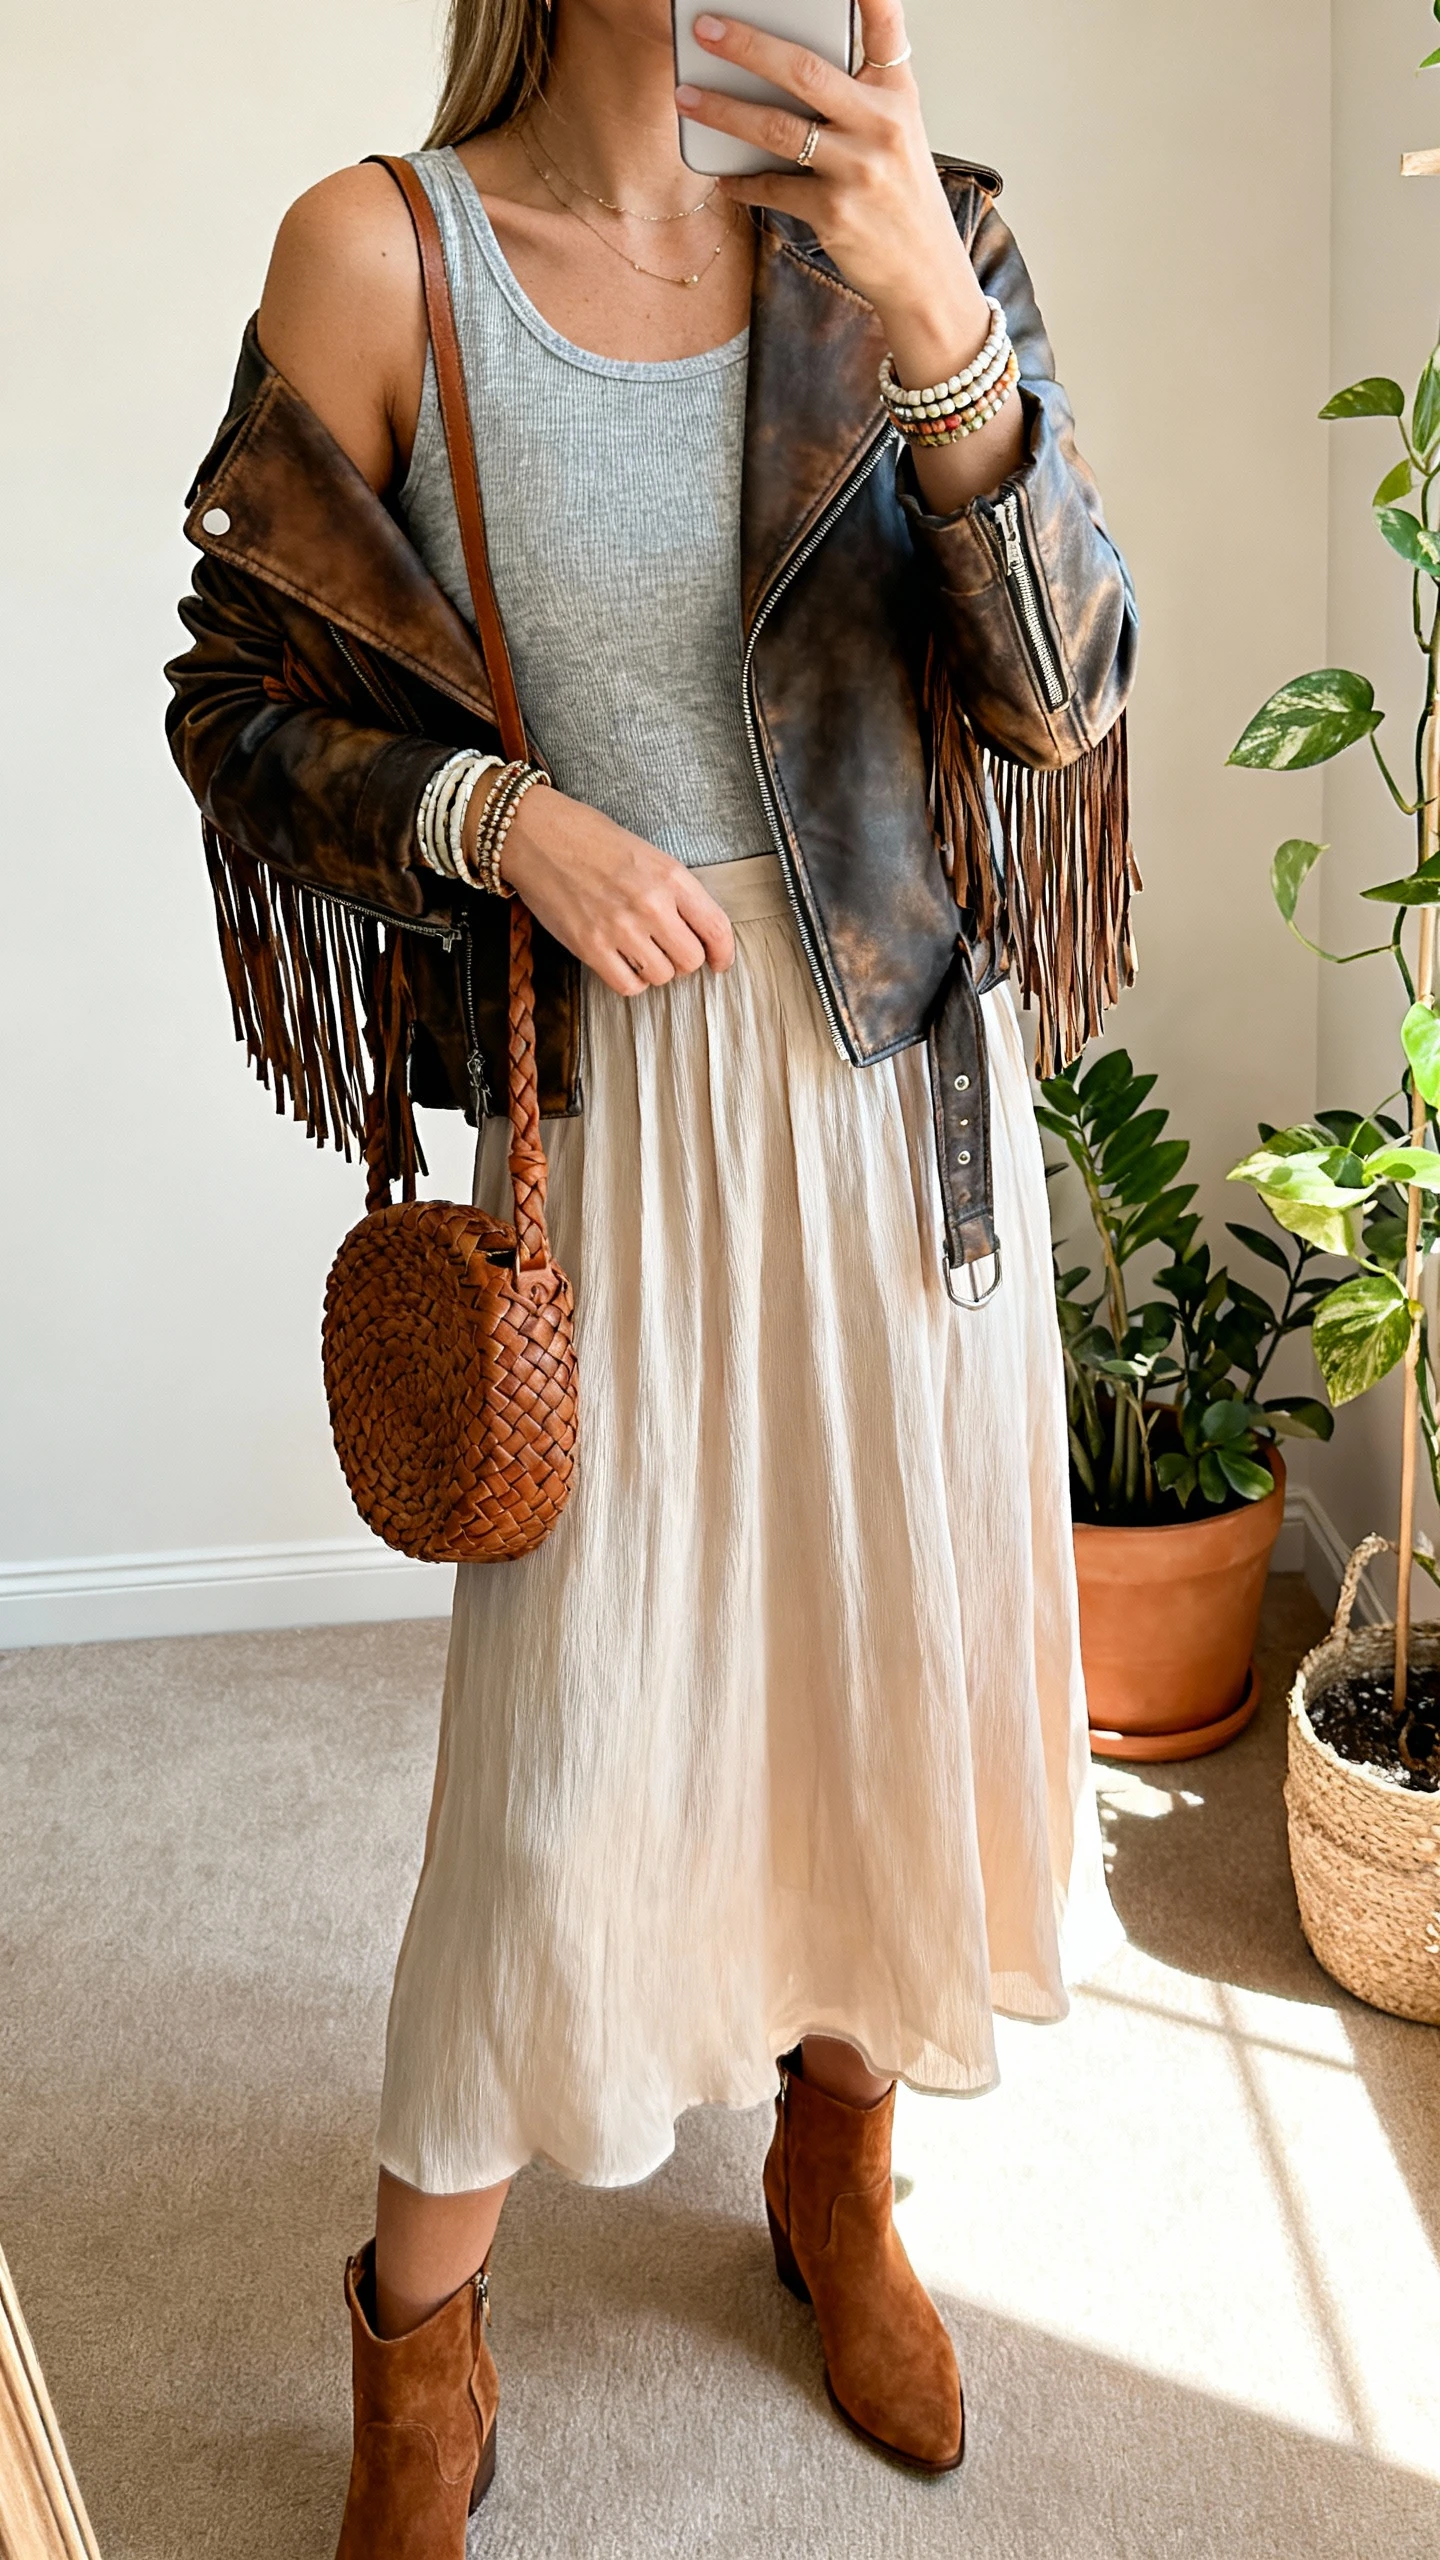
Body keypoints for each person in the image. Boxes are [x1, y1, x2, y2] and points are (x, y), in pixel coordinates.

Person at [167, 0, 1137, 2543]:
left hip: (907, 1116)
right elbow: (239, 708)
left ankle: (840, 2167)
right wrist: (502, 816)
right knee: (560, 1782)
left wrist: (943, 328)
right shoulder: (388, 254)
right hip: (625, 1135)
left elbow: (1066, 703)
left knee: (878, 1690)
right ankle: (416, 2342)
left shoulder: (913, 232)